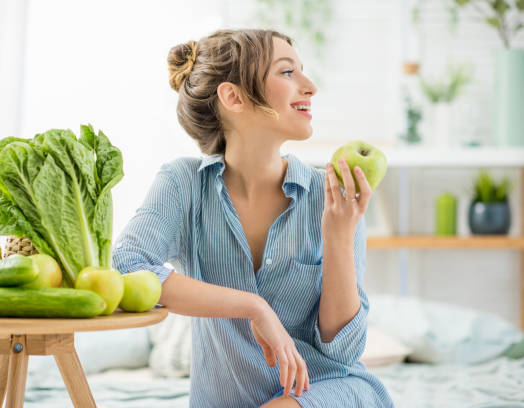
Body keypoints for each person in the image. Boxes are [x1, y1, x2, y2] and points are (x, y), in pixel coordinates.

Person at [112, 28, 394, 408]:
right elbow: (127, 267)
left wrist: (339, 235)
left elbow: (343, 351)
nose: (310, 87)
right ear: (233, 96)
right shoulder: (184, 185)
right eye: (287, 72)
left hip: (327, 393)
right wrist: (252, 306)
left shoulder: (329, 195)